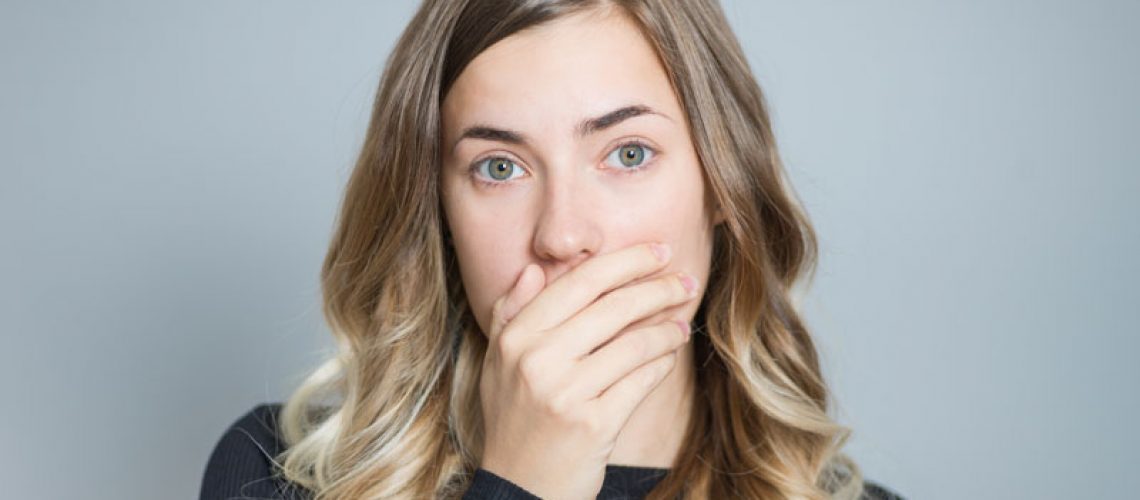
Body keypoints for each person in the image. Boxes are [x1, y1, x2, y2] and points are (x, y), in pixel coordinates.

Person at [200, 1, 907, 499]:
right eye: (499, 167)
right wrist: (520, 485)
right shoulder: (276, 476)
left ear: (722, 186)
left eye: (628, 153)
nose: (563, 237)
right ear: (439, 212)